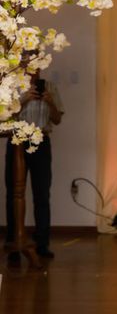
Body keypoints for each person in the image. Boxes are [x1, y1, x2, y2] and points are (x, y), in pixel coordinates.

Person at [5, 70, 64, 263]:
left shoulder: (51, 88)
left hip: (41, 141)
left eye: (36, 61)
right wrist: (22, 100)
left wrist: (49, 102)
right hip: (17, 141)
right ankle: (14, 243)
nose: (33, 68)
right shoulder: (14, 86)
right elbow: (5, 115)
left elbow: (57, 119)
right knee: (13, 193)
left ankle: (42, 244)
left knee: (42, 193)